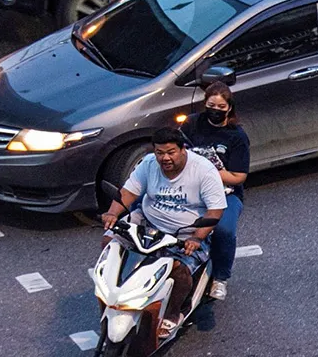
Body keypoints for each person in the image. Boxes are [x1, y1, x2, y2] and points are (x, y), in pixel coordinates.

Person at [96, 128, 228, 326]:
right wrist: (113, 213)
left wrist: (196, 238)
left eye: (171, 152)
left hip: (186, 231)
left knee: (180, 270)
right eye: (160, 153)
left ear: (183, 149)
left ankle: (174, 313)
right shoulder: (148, 163)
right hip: (148, 220)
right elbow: (128, 192)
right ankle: (113, 296)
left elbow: (215, 211)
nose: (165, 158)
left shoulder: (204, 170)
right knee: (109, 242)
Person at [183, 79, 251, 301]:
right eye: (212, 106)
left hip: (226, 194)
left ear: (229, 108)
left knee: (224, 230)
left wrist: (208, 170)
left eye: (221, 107)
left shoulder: (237, 137)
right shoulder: (192, 125)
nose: (216, 111)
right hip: (191, 189)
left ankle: (220, 278)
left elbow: (238, 177)